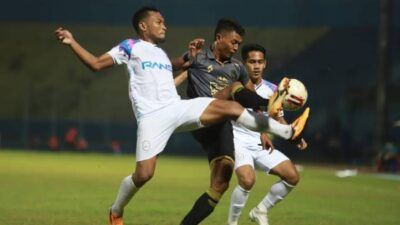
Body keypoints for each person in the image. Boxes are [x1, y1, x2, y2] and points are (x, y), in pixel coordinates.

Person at [54, 7, 309, 225]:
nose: (164, 25)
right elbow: (96, 64)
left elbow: (175, 65)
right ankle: (116, 210)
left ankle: (287, 130)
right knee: (144, 174)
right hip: (151, 118)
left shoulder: (163, 56)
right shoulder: (130, 47)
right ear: (143, 26)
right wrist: (72, 42)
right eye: (159, 22)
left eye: (164, 21)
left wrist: (188, 57)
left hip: (176, 107)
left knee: (231, 107)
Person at [174, 19, 309, 225]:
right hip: (200, 115)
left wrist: (263, 129)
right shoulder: (198, 56)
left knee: (220, 185)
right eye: (234, 42)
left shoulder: (237, 67)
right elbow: (169, 66)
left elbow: (250, 96)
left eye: (239, 43)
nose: (237, 47)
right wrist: (183, 65)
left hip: (222, 126)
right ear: (219, 38)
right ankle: (279, 117)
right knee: (233, 89)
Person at [227, 44, 307, 225]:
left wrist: (296, 136)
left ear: (265, 64)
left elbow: (279, 119)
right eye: (252, 62)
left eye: (260, 62)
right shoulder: (236, 86)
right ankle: (231, 223)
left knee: (292, 176)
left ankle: (260, 210)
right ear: (244, 64)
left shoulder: (273, 90)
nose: (256, 66)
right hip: (237, 141)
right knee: (247, 180)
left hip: (261, 144)